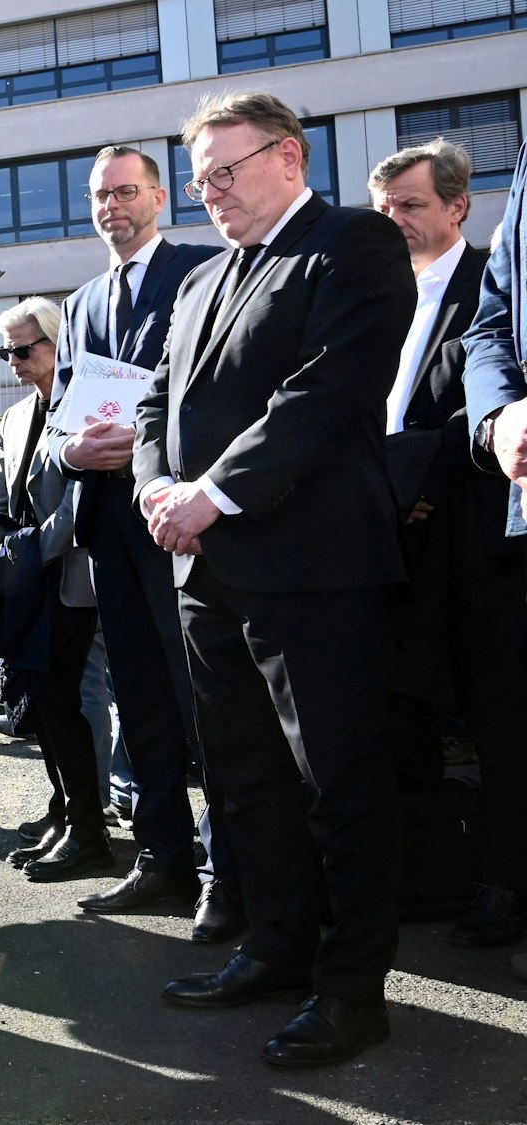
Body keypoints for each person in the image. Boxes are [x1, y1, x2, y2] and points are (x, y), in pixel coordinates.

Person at [134, 91, 415, 1068]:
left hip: (312, 567)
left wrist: (210, 493)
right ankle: (272, 951)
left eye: (225, 170)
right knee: (245, 779)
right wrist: (154, 487)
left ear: (287, 158)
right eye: (199, 178)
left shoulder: (351, 246)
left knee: (335, 779)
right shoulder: (199, 280)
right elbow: (153, 404)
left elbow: (327, 390)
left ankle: (352, 993)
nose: (208, 192)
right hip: (206, 571)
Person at [44, 145, 231, 932]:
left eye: (125, 191)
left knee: (210, 702)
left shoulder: (204, 269)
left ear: (159, 195)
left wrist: (154, 455)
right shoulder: (82, 301)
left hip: (182, 523)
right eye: (98, 194)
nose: (110, 205)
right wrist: (68, 451)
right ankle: (162, 856)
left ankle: (232, 868)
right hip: (111, 531)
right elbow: (58, 420)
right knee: (142, 699)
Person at [0, 297, 107, 883]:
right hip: (29, 583)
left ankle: (88, 829)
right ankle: (66, 814)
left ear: (58, 343)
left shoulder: (87, 405)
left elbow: (86, 501)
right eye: (6, 350)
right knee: (37, 705)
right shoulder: (12, 418)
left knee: (63, 703)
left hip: (72, 579)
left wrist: (32, 550)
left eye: (24, 348)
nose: (14, 360)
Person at [445, 137, 527, 951]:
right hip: (504, 523)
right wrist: (499, 414)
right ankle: (504, 875)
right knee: (503, 720)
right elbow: (495, 325)